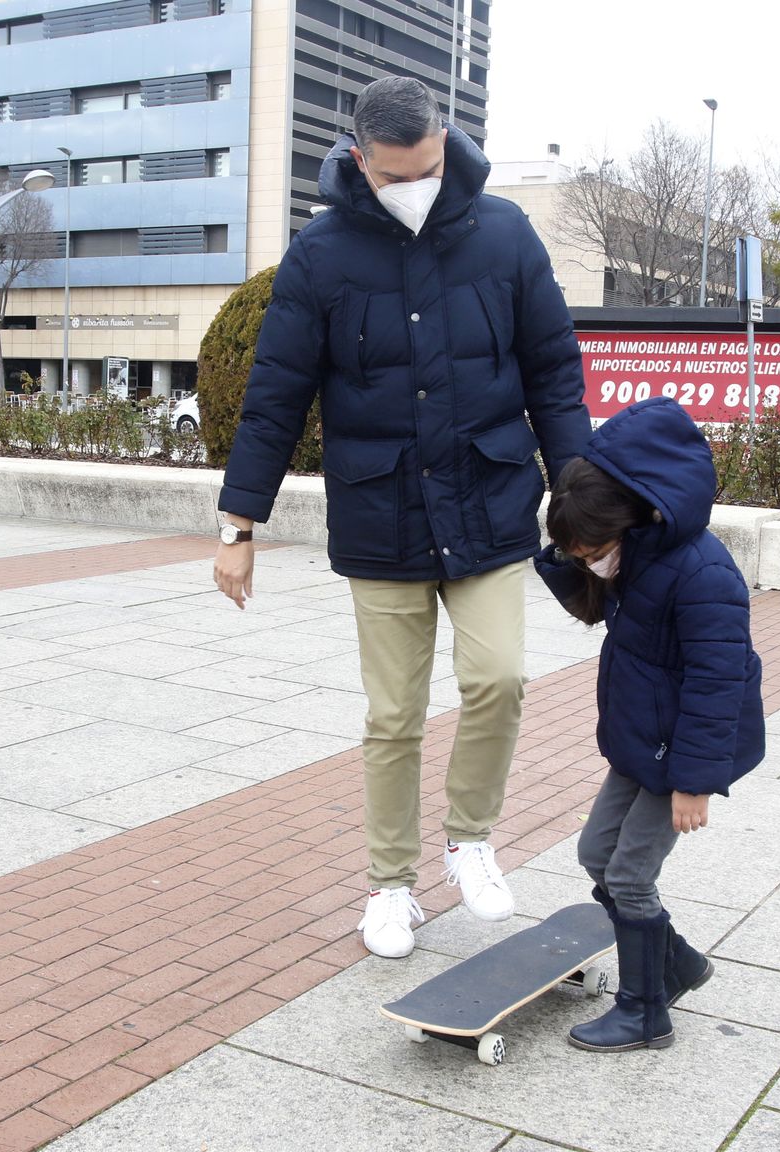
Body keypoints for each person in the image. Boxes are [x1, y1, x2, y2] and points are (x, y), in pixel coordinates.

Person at [214, 76, 591, 959]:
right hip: (380, 511)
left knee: (499, 678)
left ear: (445, 141)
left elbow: (554, 371)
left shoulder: (503, 235)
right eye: (395, 175)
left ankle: (471, 840)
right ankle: (390, 887)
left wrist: (578, 495)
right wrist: (239, 526)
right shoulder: (323, 254)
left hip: (491, 498)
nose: (416, 184)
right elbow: (275, 396)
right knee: (393, 717)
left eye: (427, 166)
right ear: (359, 161)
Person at [534, 397, 765, 1052]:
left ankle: (644, 1011)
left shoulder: (704, 575)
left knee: (630, 875)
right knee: (596, 856)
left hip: (682, 750)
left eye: (595, 550)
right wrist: (567, 562)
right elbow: (598, 610)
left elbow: (717, 685)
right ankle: (678, 963)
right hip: (644, 741)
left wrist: (694, 781)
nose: (593, 562)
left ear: (636, 518)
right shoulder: (636, 555)